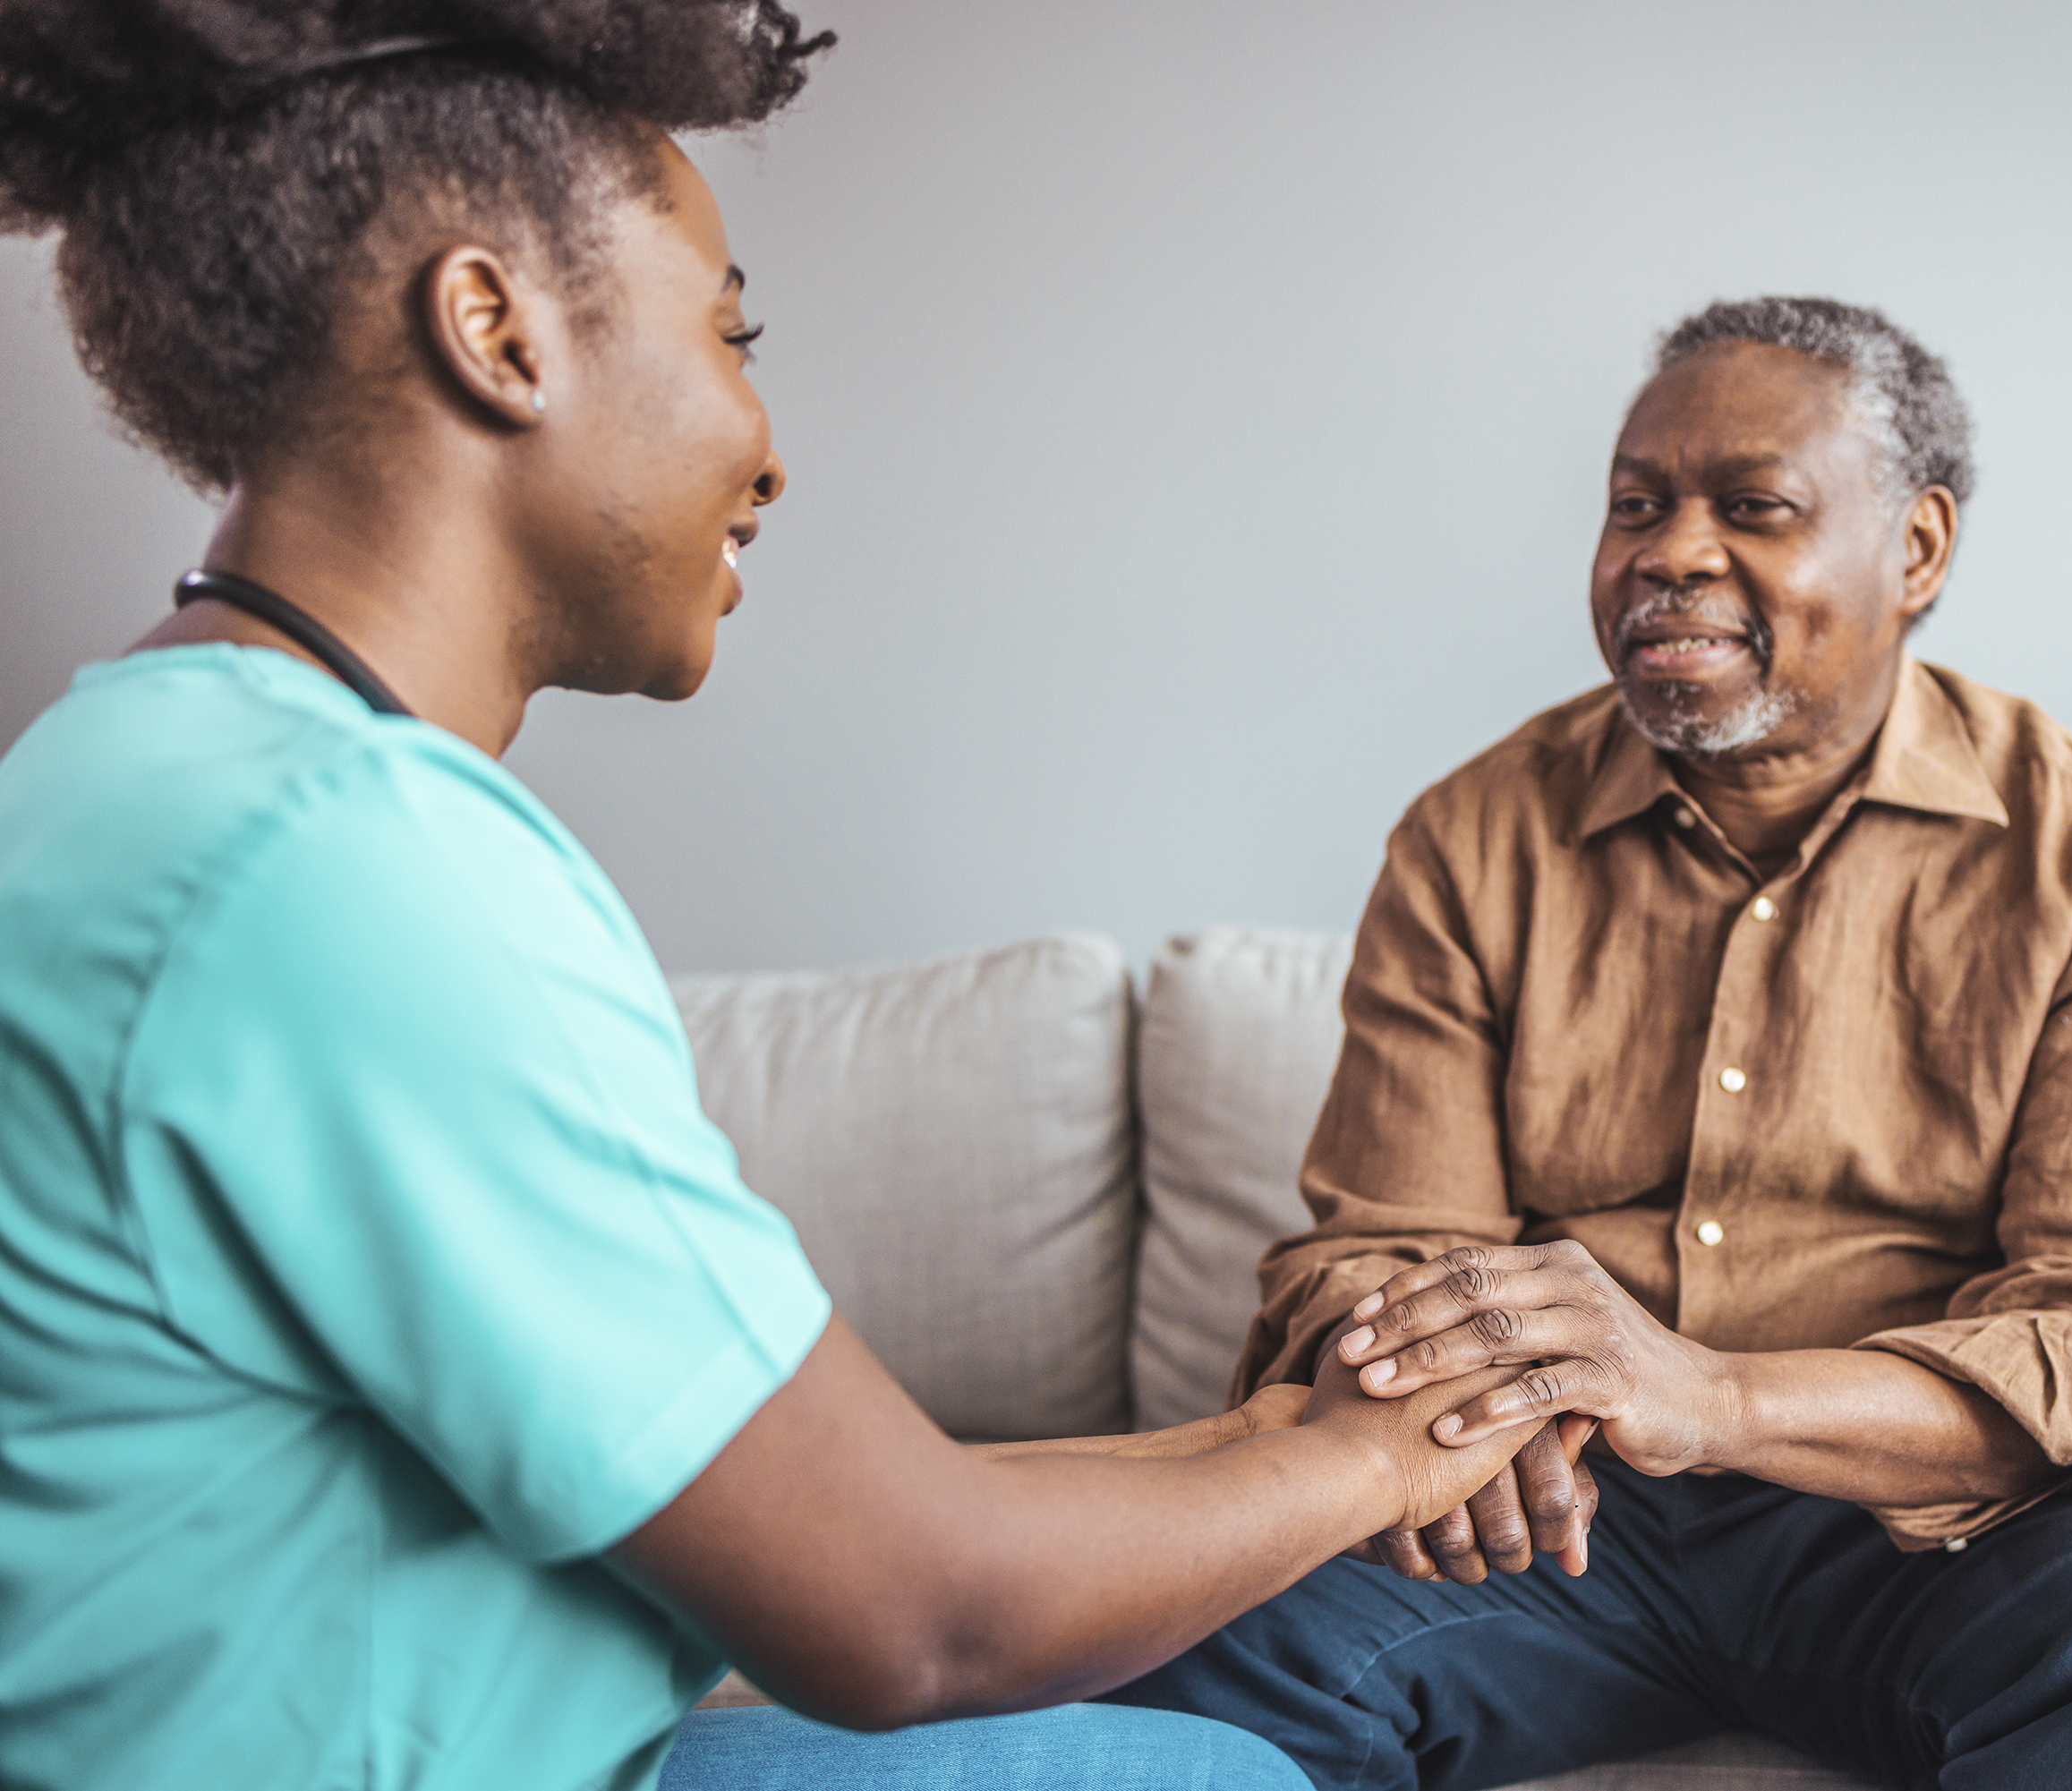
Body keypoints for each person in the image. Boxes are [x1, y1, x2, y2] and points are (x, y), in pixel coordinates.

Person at [0, 9, 1547, 1789]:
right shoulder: (342, 872)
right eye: (730, 334)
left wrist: (1297, 1428)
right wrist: (1390, 1454)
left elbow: (867, 1496)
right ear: (496, 330)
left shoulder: (145, 766)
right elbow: (915, 1604)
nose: (770, 446)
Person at [1106, 298, 2072, 1789]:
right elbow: (1374, 1251)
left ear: (1920, 549)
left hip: (1936, 1528)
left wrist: (1713, 1398)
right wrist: (1477, 1404)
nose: (1667, 551)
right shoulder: (1473, 837)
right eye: (1637, 504)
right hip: (1558, 1518)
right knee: (1164, 1632)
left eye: (1750, 507)